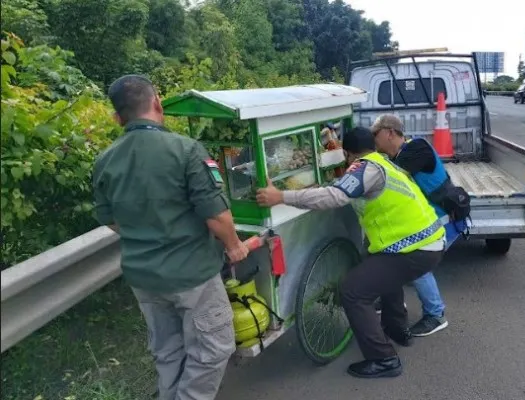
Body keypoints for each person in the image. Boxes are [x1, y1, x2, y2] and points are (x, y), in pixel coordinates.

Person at [92, 75, 250, 400]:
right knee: (214, 348)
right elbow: (217, 215)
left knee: (168, 352)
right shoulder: (187, 150)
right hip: (192, 274)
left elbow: (110, 219)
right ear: (158, 104)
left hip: (143, 277)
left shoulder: (104, 160)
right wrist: (234, 246)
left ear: (117, 118)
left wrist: (146, 235)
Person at [256, 126, 445, 379]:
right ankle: (398, 330)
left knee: (353, 290)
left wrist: (281, 196)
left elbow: (335, 196)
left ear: (348, 154)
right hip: (427, 242)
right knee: (382, 271)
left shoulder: (364, 166)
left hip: (414, 248)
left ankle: (384, 359)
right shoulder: (384, 163)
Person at [371, 114, 470, 338]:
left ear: (389, 133)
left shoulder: (417, 150)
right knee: (391, 253)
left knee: (415, 263)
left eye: (375, 135)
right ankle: (393, 302)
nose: (373, 141)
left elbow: (391, 174)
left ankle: (435, 315)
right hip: (429, 219)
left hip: (446, 219)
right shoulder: (400, 154)